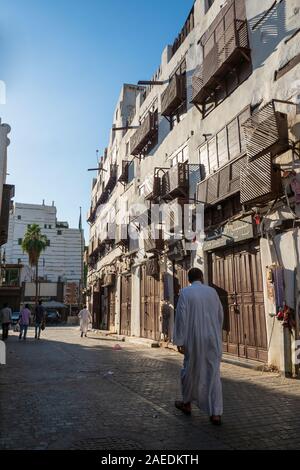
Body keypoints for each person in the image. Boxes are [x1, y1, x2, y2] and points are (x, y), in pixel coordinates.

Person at [173, 267, 224, 425]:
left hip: (193, 339)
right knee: (214, 374)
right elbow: (220, 315)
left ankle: (187, 403)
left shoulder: (185, 293)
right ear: (201, 277)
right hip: (212, 339)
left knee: (189, 370)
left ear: (189, 279)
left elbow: (181, 317)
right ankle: (215, 413)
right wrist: (215, 331)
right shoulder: (212, 292)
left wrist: (180, 341)